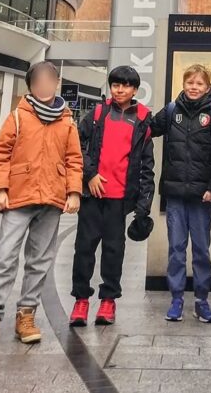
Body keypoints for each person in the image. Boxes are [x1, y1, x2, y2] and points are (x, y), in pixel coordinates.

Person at [0, 62, 82, 351]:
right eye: (38, 81)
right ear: (31, 85)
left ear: (57, 83)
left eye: (49, 80)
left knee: (40, 260)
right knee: (4, 258)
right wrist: (0, 188)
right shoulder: (17, 116)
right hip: (18, 197)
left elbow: (74, 159)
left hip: (52, 199)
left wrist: (74, 192)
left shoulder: (67, 121)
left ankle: (26, 315)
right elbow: (0, 153)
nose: (44, 86)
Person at [69, 66, 155, 327]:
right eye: (116, 84)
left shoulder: (142, 119)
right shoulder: (97, 114)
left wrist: (143, 205)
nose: (120, 89)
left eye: (126, 85)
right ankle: (81, 299)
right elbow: (77, 145)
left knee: (113, 251)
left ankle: (108, 300)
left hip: (120, 200)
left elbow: (147, 166)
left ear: (135, 90)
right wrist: (90, 174)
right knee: (84, 249)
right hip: (93, 196)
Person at [150, 64, 211, 323]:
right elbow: (147, 128)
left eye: (199, 84)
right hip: (175, 196)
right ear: (183, 84)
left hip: (202, 197)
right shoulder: (172, 111)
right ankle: (177, 299)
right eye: (190, 83)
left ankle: (202, 301)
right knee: (176, 249)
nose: (194, 87)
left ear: (207, 87)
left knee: (202, 250)